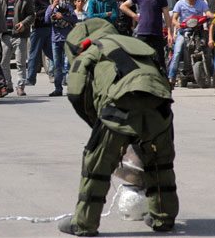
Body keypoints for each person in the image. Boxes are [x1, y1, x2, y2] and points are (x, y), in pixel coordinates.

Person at [58, 18, 178, 237]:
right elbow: (162, 80)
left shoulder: (90, 52)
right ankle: (163, 218)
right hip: (159, 106)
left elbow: (77, 94)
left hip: (119, 108)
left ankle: (84, 225)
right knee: (161, 164)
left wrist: (96, 123)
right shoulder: (136, 45)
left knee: (96, 165)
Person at [120, 0, 174, 71]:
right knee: (140, 61)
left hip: (156, 34)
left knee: (160, 63)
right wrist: (134, 16)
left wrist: (170, 33)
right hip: (142, 34)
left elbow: (167, 16)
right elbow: (123, 6)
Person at [167, 0, 212, 88]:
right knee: (177, 52)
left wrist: (214, 16)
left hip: (198, 31)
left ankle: (212, 73)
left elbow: (208, 13)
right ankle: (171, 78)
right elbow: (174, 19)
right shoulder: (180, 3)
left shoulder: (201, 3)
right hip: (184, 32)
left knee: (209, 48)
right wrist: (177, 24)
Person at [0, 0, 34, 96]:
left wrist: (24, 23)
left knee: (20, 63)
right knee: (3, 62)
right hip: (6, 34)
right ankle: (8, 85)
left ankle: (20, 87)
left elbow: (31, 15)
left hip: (20, 35)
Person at [45, 0, 77, 96]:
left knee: (68, 64)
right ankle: (58, 88)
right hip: (56, 39)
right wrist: (53, 7)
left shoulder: (68, 6)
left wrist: (62, 16)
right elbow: (46, 19)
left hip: (67, 38)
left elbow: (74, 18)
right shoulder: (51, 7)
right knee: (57, 65)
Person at [25, 0, 54, 86]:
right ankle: (66, 72)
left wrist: (35, 14)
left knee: (33, 54)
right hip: (45, 27)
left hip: (40, 28)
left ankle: (31, 79)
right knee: (51, 53)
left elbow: (47, 8)